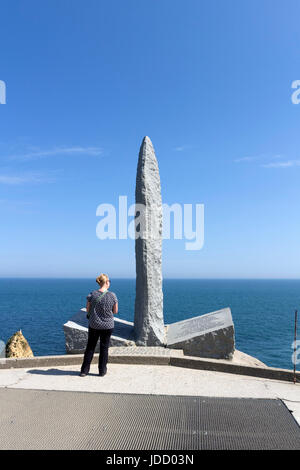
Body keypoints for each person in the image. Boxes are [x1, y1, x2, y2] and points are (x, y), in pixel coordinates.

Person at [80, 274, 118, 377]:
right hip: (108, 325)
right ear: (106, 282)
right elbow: (115, 311)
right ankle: (102, 371)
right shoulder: (112, 295)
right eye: (109, 281)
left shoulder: (92, 294)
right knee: (104, 348)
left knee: (90, 347)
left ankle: (84, 371)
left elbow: (87, 309)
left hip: (94, 324)